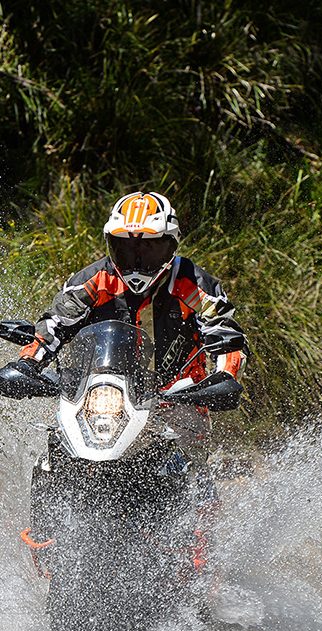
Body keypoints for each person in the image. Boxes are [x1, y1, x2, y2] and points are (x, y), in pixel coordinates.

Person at [2, 191, 250, 575]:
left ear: (170, 245)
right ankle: (48, 544)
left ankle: (199, 567)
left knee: (192, 466)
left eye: (148, 248)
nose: (136, 259)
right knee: (53, 449)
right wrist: (27, 365)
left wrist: (225, 376)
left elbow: (227, 337)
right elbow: (51, 328)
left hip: (177, 397)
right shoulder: (92, 280)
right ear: (111, 244)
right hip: (101, 394)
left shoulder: (195, 284)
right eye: (127, 247)